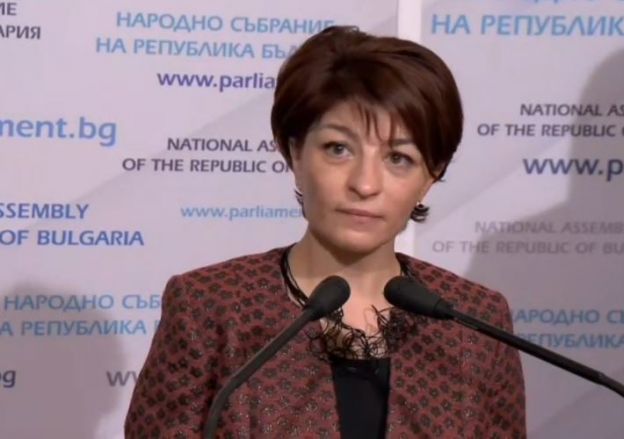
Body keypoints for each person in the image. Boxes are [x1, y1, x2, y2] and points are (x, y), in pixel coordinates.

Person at [125, 26, 526, 438]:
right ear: (294, 152)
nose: (365, 184)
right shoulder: (208, 308)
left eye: (398, 158)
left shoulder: (475, 323)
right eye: (339, 149)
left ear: (430, 176)